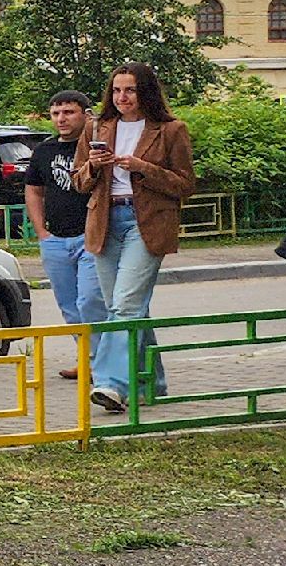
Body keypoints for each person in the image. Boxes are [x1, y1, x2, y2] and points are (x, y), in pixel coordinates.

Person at [73, 62, 196, 413]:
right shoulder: (97, 126)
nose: (122, 97)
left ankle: (111, 383)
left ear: (146, 92)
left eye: (130, 90)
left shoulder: (170, 130)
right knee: (125, 308)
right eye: (116, 90)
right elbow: (78, 181)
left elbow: (185, 184)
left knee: (125, 305)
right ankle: (151, 382)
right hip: (105, 221)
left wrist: (142, 167)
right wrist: (95, 166)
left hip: (147, 223)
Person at [23, 91, 110, 380]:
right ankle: (87, 357)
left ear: (86, 115)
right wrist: (41, 232)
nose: (61, 119)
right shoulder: (44, 151)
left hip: (89, 237)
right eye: (56, 113)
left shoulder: (96, 148)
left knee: (90, 302)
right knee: (69, 307)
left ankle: (103, 367)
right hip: (55, 240)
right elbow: (34, 191)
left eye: (69, 112)